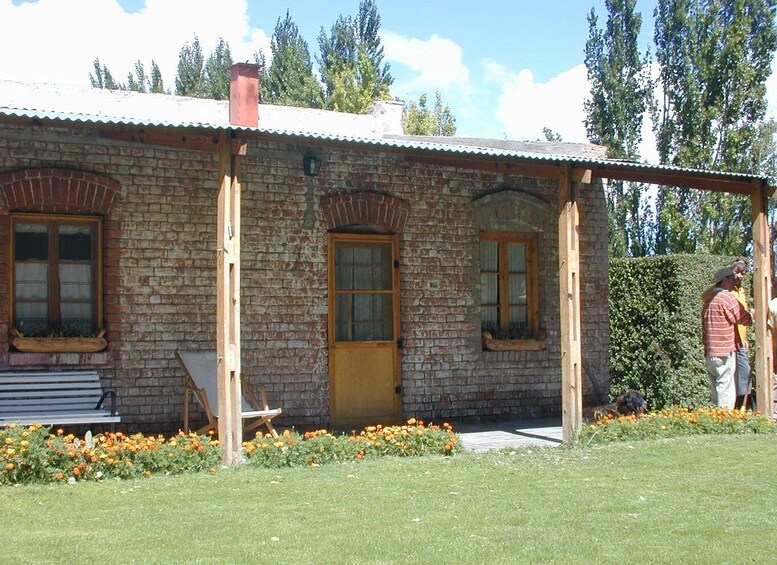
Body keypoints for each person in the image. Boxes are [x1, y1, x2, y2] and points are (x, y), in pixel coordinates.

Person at [702, 259, 751, 408]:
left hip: (710, 351)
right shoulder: (727, 298)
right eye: (732, 277)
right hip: (724, 351)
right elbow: (744, 318)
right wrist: (752, 314)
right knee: (726, 386)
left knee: (715, 387)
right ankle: (725, 418)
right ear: (725, 279)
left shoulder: (709, 300)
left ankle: (716, 417)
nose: (736, 279)